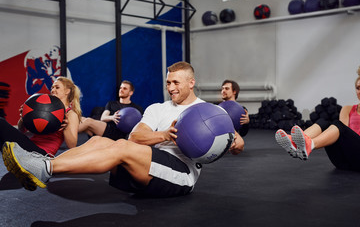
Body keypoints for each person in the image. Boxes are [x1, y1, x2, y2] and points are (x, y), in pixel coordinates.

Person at [1, 61, 245, 197]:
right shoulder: (157, 108)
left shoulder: (210, 113)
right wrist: (163, 134)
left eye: (176, 82)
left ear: (191, 83)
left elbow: (233, 142)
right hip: (144, 164)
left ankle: (44, 168)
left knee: (121, 148)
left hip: (179, 174)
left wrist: (237, 144)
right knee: (100, 142)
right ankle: (42, 161)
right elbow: (135, 136)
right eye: (168, 82)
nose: (170, 87)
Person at [275, 66, 360, 171]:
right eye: (358, 88)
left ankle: (309, 145)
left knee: (337, 125)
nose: (359, 91)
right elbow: (343, 133)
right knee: (325, 122)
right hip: (343, 161)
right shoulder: (347, 109)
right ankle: (296, 144)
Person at [0, 76, 81, 157]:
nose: (53, 90)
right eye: (52, 87)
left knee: (1, 122)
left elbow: (72, 145)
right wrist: (24, 117)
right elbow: (22, 130)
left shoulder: (70, 114)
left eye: (57, 87)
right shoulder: (47, 107)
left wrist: (66, 127)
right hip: (31, 145)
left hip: (42, 154)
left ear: (67, 91)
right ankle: (15, 161)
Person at [78, 80, 143, 140]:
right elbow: (103, 118)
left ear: (130, 93)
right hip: (108, 128)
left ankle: (69, 134)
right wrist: (112, 117)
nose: (121, 90)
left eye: (125, 88)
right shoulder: (111, 104)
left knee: (88, 121)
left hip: (119, 134)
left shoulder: (136, 109)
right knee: (82, 119)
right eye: (120, 88)